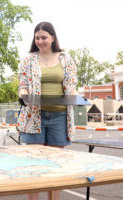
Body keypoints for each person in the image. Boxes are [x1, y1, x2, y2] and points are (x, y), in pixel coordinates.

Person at [17, 22, 78, 200]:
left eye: (44, 37)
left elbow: (72, 85)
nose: (40, 41)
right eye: (37, 38)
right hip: (34, 116)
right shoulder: (29, 59)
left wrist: (77, 98)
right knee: (34, 166)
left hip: (60, 117)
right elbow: (23, 85)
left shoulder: (66, 59)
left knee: (55, 165)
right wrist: (23, 95)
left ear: (52, 38)